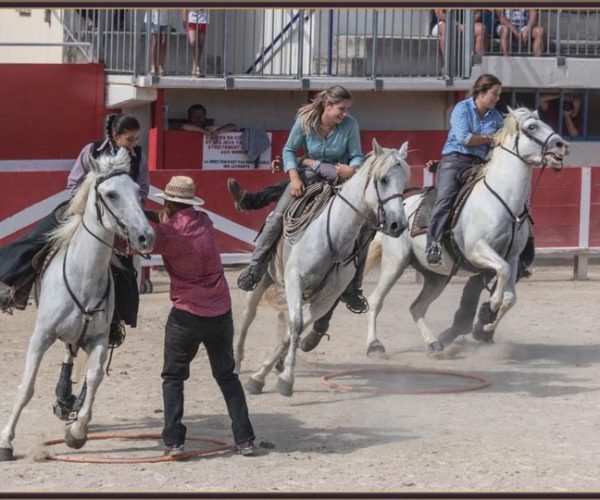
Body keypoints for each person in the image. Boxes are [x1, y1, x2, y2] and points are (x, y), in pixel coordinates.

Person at [0, 113, 149, 348]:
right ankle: (10, 284)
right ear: (115, 136)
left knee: (126, 269)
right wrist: (88, 206)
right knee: (40, 238)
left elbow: (142, 188)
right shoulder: (91, 150)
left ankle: (115, 320)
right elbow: (73, 183)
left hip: (117, 216)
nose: (134, 144)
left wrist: (131, 212)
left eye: (136, 139)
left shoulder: (138, 157)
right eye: (130, 139)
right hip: (82, 209)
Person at [234, 85, 370, 314]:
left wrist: (353, 168)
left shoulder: (350, 125)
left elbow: (356, 153)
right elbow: (289, 150)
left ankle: (354, 288)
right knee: (277, 217)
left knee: (365, 227)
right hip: (308, 176)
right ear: (327, 106)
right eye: (341, 109)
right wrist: (294, 178)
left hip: (341, 179)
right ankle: (255, 269)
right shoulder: (305, 121)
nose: (345, 114)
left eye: (347, 109)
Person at [146, 175, 256, 457]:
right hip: (220, 311)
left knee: (173, 377)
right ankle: (245, 439)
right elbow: (175, 222)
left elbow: (138, 243)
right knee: (227, 376)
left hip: (187, 313)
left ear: (168, 203)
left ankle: (173, 441)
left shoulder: (168, 234)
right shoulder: (205, 221)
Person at [425, 74, 504, 266]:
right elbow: (464, 139)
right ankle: (433, 243)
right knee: (445, 199)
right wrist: (491, 138)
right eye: (494, 94)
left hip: (479, 164)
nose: (497, 98)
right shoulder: (461, 108)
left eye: (499, 95)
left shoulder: (497, 117)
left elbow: (501, 144)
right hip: (455, 160)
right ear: (481, 92)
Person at [183, 9, 209, 77]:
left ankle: (196, 65)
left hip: (203, 19)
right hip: (192, 19)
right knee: (193, 42)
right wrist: (184, 18)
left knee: (201, 44)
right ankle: (196, 66)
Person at [145, 9, 170, 75]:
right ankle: (153, 65)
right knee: (155, 41)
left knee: (164, 42)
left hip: (166, 17)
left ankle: (161, 65)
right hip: (154, 17)